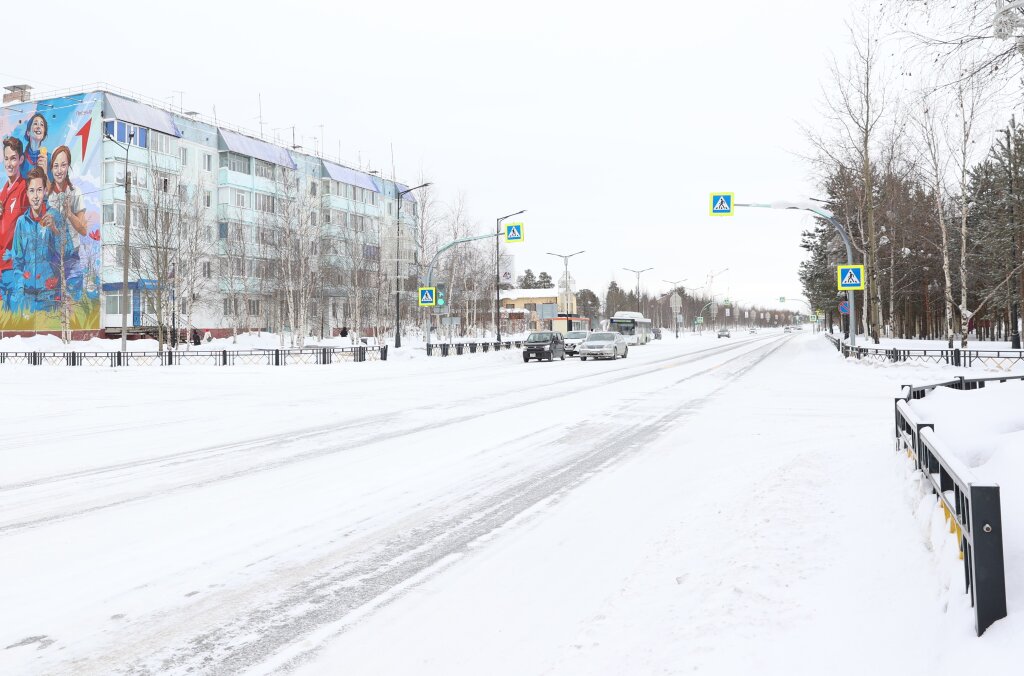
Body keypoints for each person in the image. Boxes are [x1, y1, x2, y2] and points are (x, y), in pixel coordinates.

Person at [3, 167, 74, 313]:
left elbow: (68, 252)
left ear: (45, 192)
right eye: (32, 191)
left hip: (49, 296)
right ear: (27, 194)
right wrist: (20, 290)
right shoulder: (21, 222)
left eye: (39, 190)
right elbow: (17, 261)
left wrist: (54, 230)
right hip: (27, 297)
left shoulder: (55, 216)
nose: (36, 196)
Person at [0, 137, 28, 306]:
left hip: (14, 267)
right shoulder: (2, 193)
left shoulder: (25, 188)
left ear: (21, 160)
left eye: (13, 158)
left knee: (14, 317)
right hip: (1, 267)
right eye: (6, 158)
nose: (9, 163)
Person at [21, 113, 48, 180]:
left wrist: (45, 173)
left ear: (44, 134)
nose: (39, 127)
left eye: (42, 125)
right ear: (28, 132)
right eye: (35, 123)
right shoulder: (21, 159)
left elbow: (52, 189)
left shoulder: (49, 158)